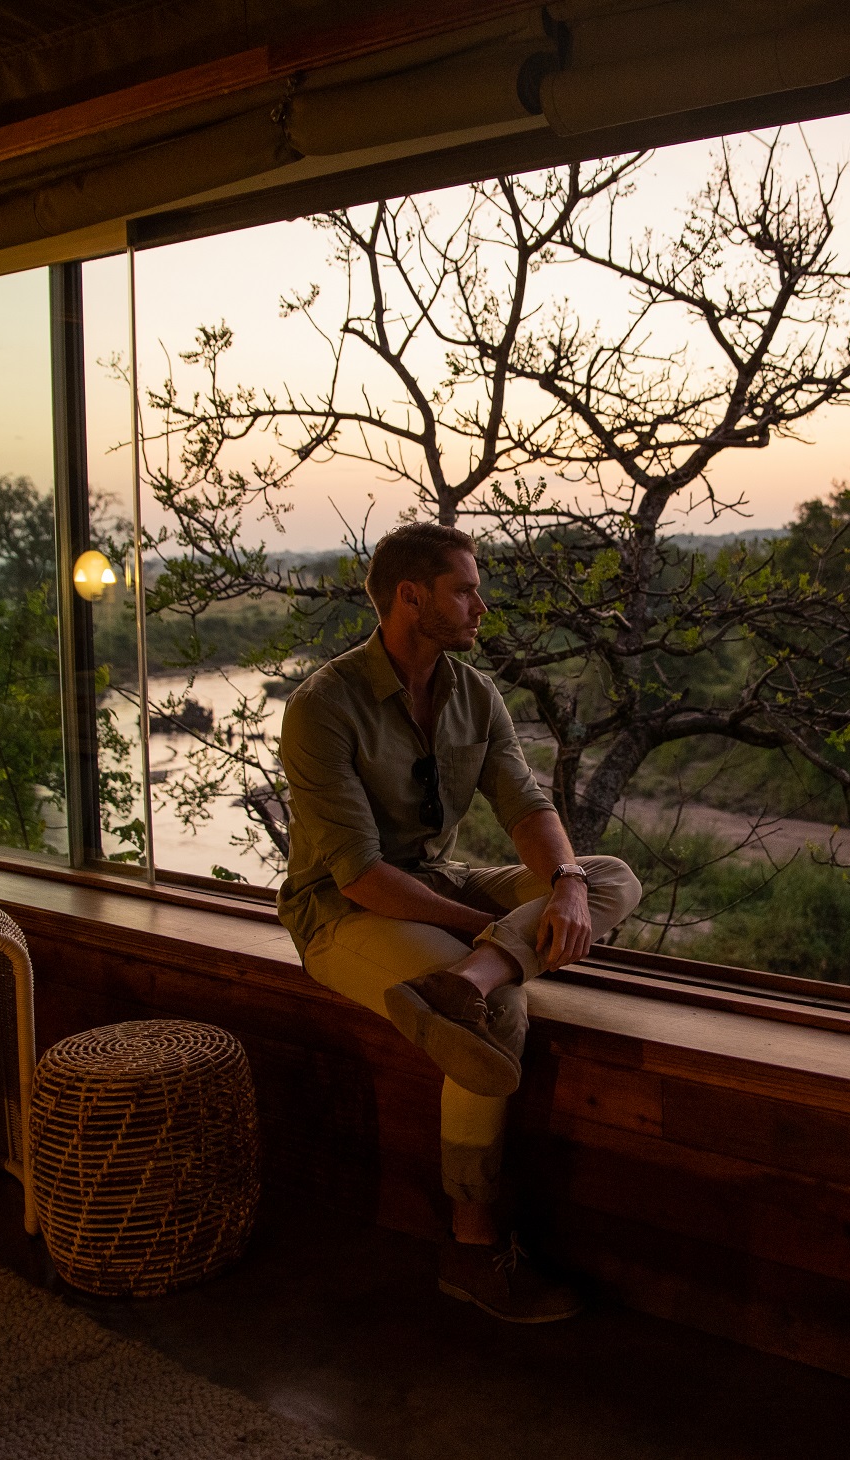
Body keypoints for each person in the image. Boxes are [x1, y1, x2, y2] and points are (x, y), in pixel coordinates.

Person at [277, 521, 642, 1323]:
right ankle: (471, 1249)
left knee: (612, 875)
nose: (482, 605)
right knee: (502, 1012)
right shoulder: (322, 707)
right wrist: (486, 925)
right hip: (342, 910)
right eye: (465, 589)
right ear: (412, 597)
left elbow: (527, 807)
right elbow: (362, 875)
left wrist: (571, 886)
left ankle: (463, 981)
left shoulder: (473, 693)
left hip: (439, 883)